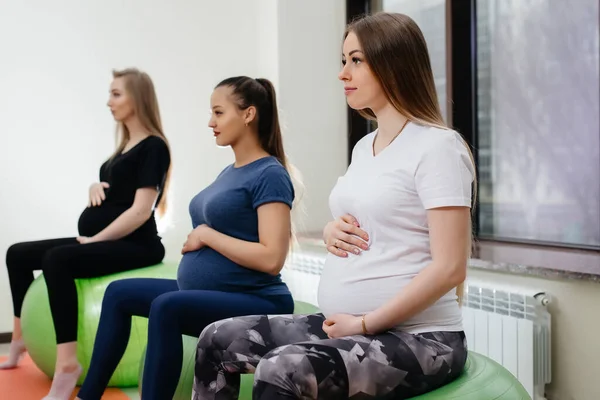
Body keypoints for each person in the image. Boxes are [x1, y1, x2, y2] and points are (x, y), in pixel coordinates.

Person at [193, 12, 477, 400]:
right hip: (350, 323)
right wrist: (331, 230)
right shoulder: (365, 147)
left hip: (423, 339)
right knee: (216, 339)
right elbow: (379, 218)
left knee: (282, 369)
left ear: (393, 64)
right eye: (343, 61)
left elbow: (450, 267)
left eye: (356, 60)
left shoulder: (438, 147)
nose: (343, 73)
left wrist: (364, 323)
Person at [75, 76, 299, 400]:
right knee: (119, 293)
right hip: (213, 291)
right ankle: (87, 397)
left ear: (248, 114)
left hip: (259, 298)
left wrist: (207, 235)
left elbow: (271, 257)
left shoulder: (270, 174)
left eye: (219, 113)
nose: (211, 122)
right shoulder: (229, 172)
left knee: (167, 306)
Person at [0, 68, 172, 399]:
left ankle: (67, 364)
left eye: (116, 94)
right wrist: (96, 185)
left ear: (138, 98)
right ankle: (19, 339)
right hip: (110, 238)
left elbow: (140, 211)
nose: (109, 101)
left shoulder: (154, 147)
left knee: (56, 260)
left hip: (138, 244)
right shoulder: (123, 148)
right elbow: (119, 191)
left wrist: (96, 240)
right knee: (17, 253)